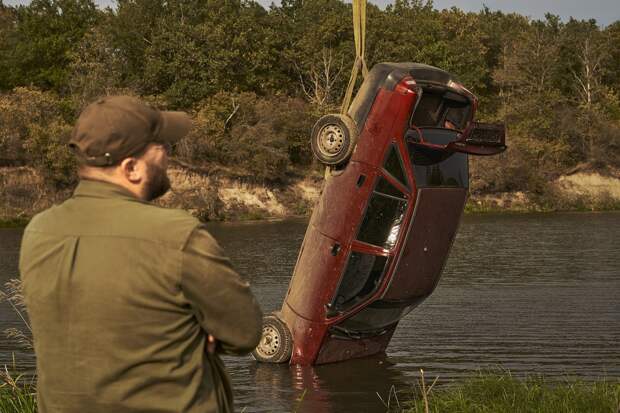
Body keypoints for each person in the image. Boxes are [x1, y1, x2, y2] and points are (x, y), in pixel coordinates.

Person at [19, 96, 263, 413]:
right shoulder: (177, 234)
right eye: (162, 148)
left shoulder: (38, 231)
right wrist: (197, 331)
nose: (168, 158)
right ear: (131, 168)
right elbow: (245, 333)